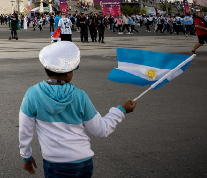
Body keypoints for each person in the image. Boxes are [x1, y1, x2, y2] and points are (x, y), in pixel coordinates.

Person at [19, 41, 137, 177]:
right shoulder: (80, 96)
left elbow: (24, 131)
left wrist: (26, 156)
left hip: (55, 163)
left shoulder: (32, 94)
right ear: (69, 73)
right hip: (83, 163)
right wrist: (121, 110)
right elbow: (101, 130)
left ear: (46, 68)